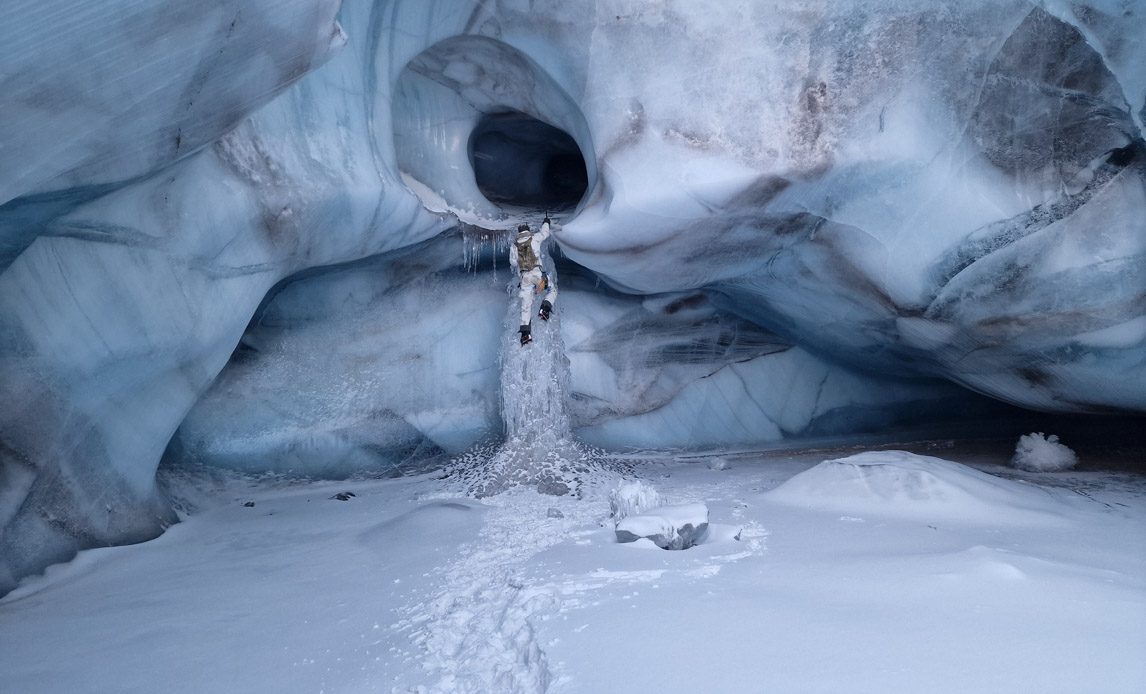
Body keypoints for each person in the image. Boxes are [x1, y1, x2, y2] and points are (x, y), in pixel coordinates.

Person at [509, 216, 557, 346]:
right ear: (528, 230)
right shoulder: (535, 237)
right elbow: (545, 233)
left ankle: (525, 334)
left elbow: (513, 263)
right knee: (551, 290)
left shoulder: (514, 246)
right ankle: (545, 308)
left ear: (519, 232)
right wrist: (546, 222)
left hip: (525, 279)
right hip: (537, 276)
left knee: (526, 305)